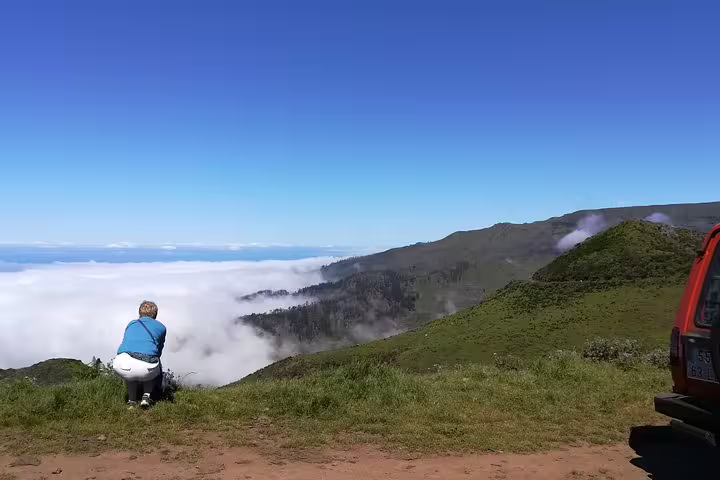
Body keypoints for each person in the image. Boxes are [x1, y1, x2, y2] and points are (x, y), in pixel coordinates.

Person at [113, 301, 167, 410]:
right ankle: (146, 396)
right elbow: (159, 350)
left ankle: (132, 402)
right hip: (147, 366)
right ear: (155, 314)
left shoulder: (131, 324)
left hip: (121, 363)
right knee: (152, 362)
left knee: (131, 370)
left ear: (139, 313)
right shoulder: (161, 327)